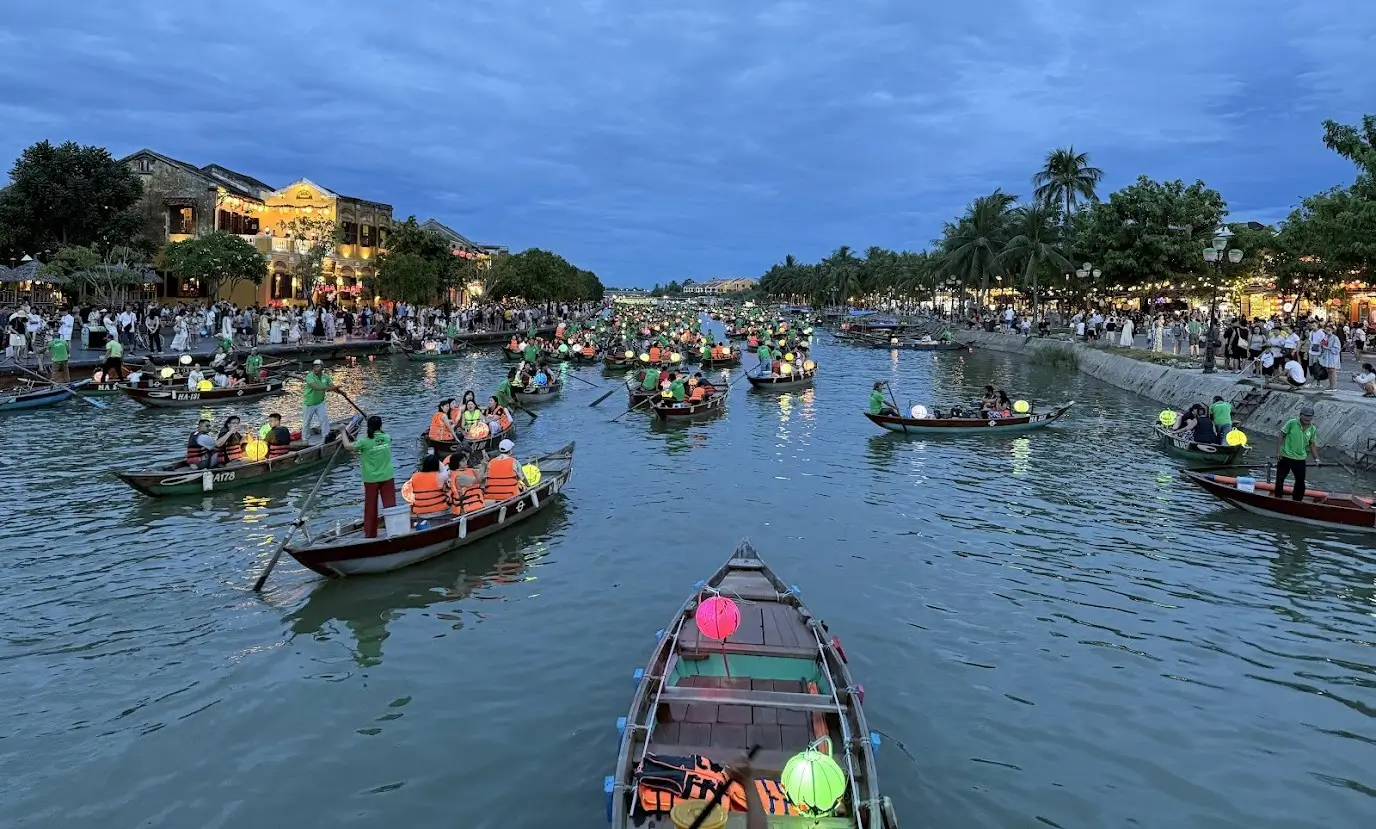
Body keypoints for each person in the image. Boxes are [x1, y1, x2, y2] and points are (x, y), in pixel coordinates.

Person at [342, 415, 396, 538]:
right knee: (390, 506)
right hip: (387, 476)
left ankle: (370, 534)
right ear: (381, 426)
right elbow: (371, 447)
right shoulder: (387, 438)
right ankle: (394, 530)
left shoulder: (365, 442)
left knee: (371, 507)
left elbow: (347, 446)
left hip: (371, 479)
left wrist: (342, 431)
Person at [1273, 406, 1319, 501]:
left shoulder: (1312, 429)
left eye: (1310, 416)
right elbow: (1281, 435)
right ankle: (1277, 498)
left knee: (1300, 482)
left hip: (1300, 459)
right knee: (1280, 479)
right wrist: (1278, 452)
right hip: (1285, 456)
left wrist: (1316, 458)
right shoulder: (1292, 423)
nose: (1307, 418)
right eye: (1305, 415)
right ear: (1300, 415)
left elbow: (1312, 444)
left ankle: (1297, 501)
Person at [302, 359, 336, 442]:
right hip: (309, 403)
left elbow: (332, 386)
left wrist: (341, 392)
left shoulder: (326, 377)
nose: (315, 368)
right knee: (307, 421)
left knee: (324, 419)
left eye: (317, 366)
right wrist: (328, 388)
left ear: (322, 368)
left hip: (320, 402)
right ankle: (305, 438)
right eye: (314, 367)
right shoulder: (309, 376)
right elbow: (315, 387)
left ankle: (326, 436)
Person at [406, 454, 449, 519]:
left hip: (418, 511)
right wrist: (438, 462)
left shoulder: (414, 476)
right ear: (438, 465)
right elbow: (445, 471)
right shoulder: (440, 477)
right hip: (437, 510)